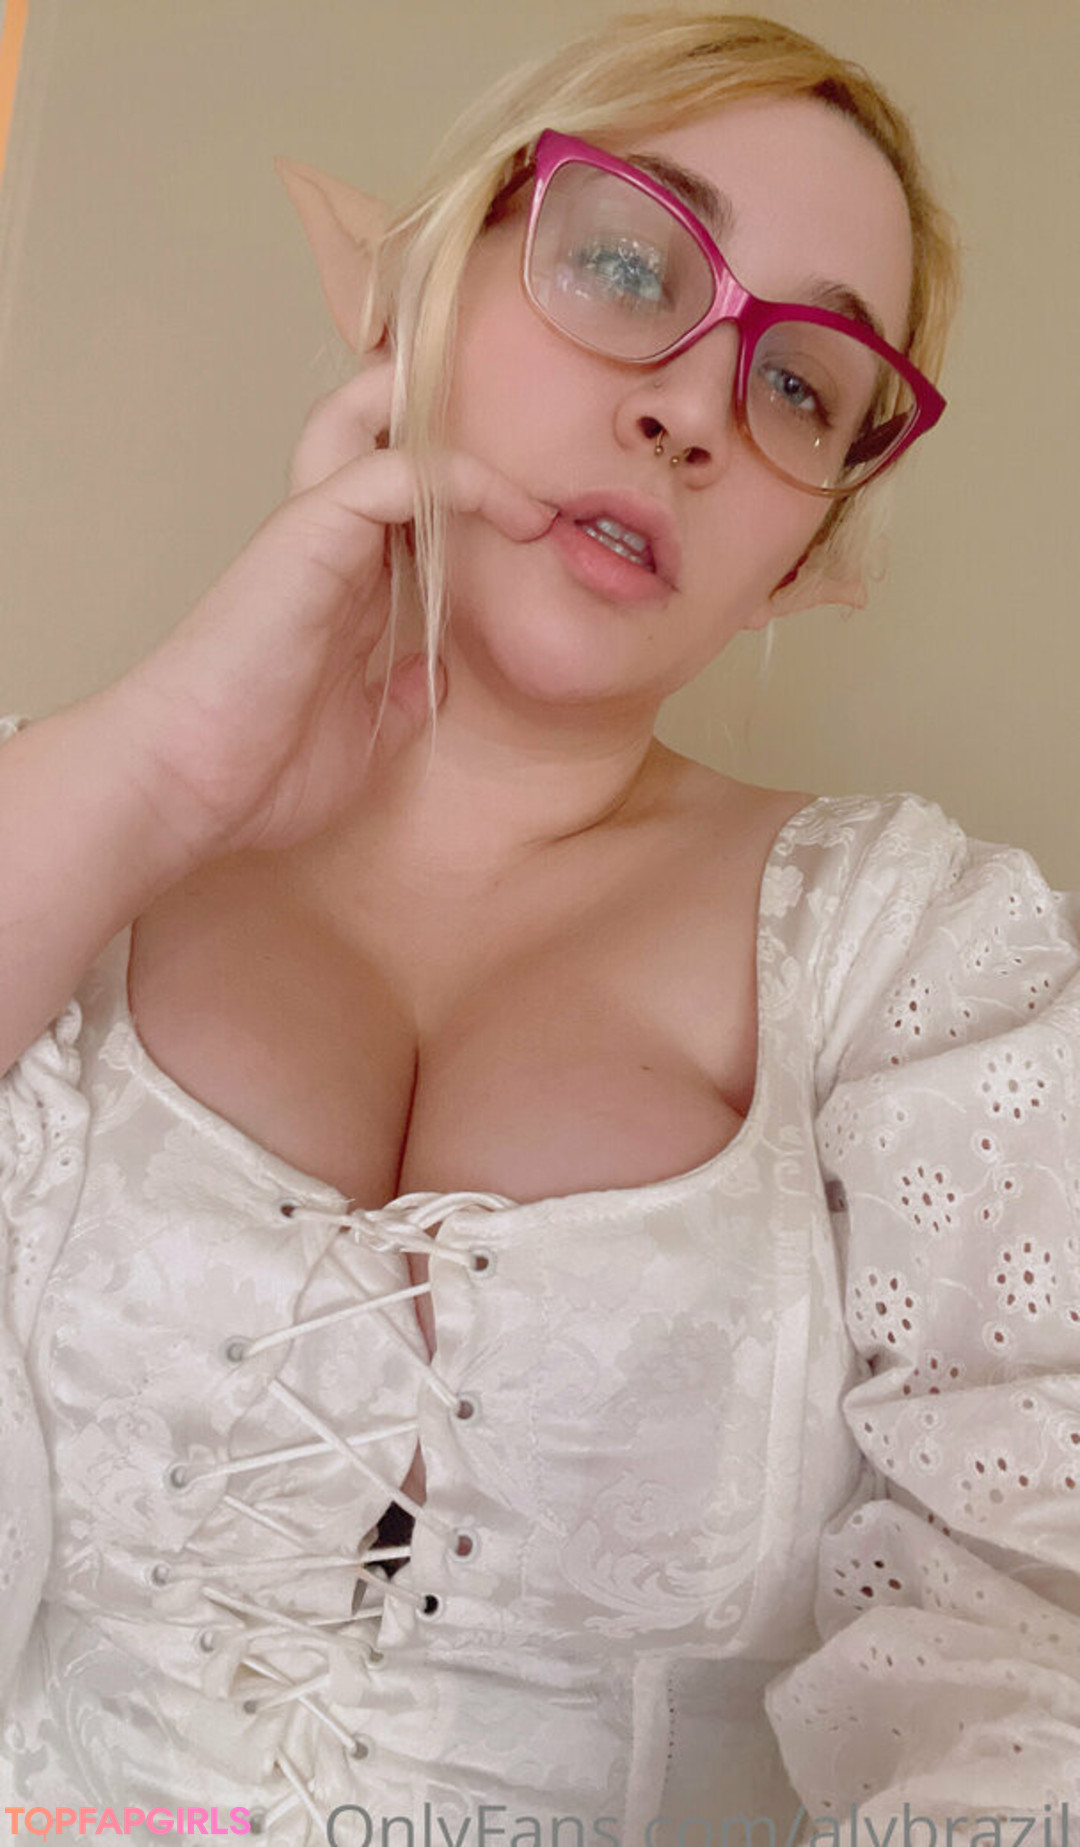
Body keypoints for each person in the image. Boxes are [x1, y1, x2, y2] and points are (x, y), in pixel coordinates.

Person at [1, 8, 1077, 1843]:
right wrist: (166, 773)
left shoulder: (919, 966)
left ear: (804, 555)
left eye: (802, 385)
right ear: (423, 297)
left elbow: (1035, 1655)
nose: (691, 409)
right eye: (629, 264)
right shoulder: (75, 827)